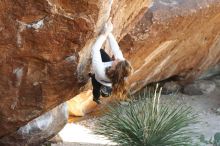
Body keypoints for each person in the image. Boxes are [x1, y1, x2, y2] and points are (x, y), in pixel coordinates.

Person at [90, 20, 132, 104]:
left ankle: (97, 97)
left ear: (115, 68)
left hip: (100, 78)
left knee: (96, 86)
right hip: (109, 71)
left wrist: (104, 34)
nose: (117, 59)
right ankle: (105, 90)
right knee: (101, 51)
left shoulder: (100, 71)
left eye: (117, 61)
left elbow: (95, 49)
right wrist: (108, 32)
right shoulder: (122, 67)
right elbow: (116, 49)